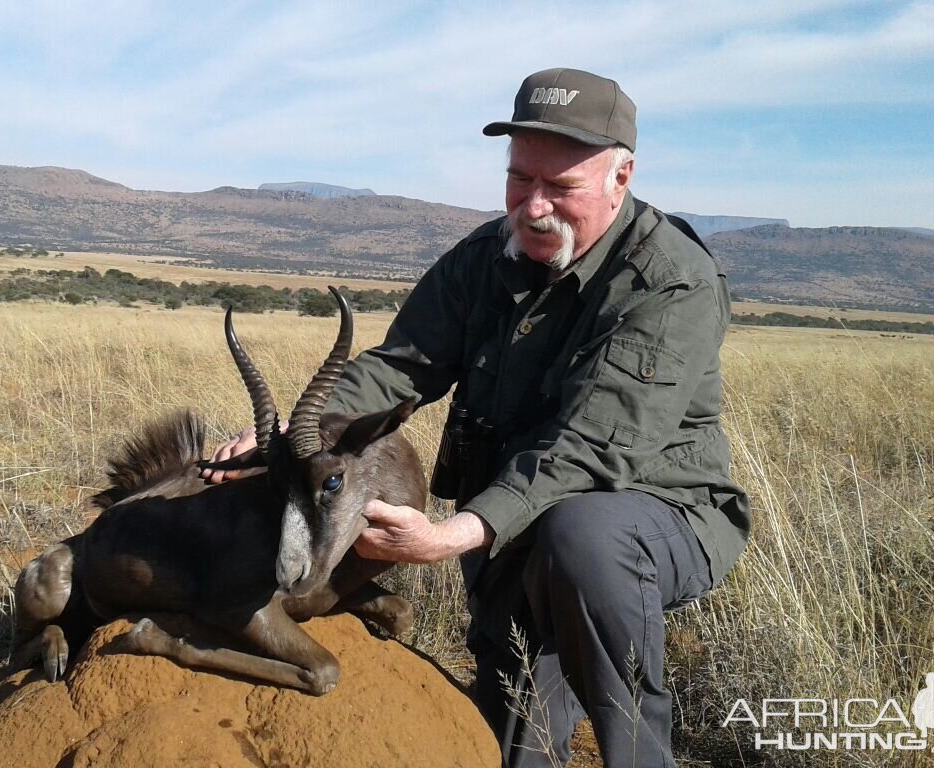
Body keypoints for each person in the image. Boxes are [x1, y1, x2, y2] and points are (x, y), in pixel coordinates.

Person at [206, 68, 750, 767]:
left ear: (622, 178)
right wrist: (293, 437)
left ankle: (639, 754)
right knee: (508, 741)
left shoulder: (669, 281)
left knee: (583, 536)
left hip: (649, 516)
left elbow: (588, 450)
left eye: (563, 188)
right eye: (520, 179)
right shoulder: (484, 258)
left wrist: (451, 535)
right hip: (516, 529)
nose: (534, 206)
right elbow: (400, 366)